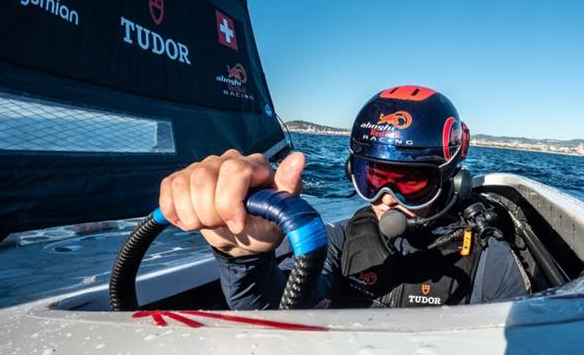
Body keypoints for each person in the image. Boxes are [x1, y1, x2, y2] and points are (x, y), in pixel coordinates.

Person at [159, 85, 531, 309]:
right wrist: (244, 258)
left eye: (410, 184)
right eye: (373, 179)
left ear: (454, 180)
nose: (385, 198)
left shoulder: (488, 260)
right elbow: (278, 305)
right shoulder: (342, 240)